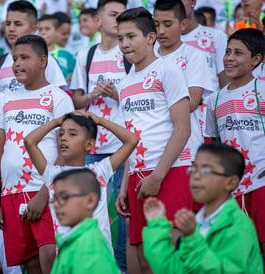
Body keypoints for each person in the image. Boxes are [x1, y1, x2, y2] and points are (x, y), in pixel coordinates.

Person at [115, 7, 193, 274]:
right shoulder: (124, 84)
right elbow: (132, 138)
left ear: (150, 37)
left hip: (170, 172)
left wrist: (158, 175)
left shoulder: (168, 70)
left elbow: (183, 129)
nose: (124, 44)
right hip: (138, 177)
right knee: (140, 260)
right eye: (120, 38)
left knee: (164, 260)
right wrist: (124, 185)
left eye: (131, 36)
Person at [0, 35, 74, 273]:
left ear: (43, 61)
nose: (16, 64)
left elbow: (65, 153)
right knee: (30, 263)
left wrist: (46, 193)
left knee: (50, 254)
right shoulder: (5, 100)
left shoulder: (59, 98)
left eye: (24, 58)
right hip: (10, 194)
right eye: (14, 58)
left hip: (44, 191)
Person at [70, 0, 129, 270]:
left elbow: (141, 99)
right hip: (92, 146)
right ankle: (92, 261)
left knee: (122, 210)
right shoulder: (87, 55)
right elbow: (76, 101)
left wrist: (115, 94)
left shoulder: (128, 54)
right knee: (90, 208)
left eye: (122, 16)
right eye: (114, 15)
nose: (118, 20)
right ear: (98, 20)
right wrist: (93, 96)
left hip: (122, 145)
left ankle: (121, 265)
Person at [142, 143, 263, 273]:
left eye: (206, 171)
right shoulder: (198, 222)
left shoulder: (238, 227)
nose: (196, 176)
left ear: (230, 182)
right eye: (193, 169)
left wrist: (191, 239)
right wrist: (157, 225)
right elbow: (173, 270)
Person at [24, 112, 138, 244]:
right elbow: (29, 141)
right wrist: (56, 122)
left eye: (72, 134)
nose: (63, 138)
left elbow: (132, 140)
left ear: (89, 145)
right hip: (69, 257)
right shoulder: (52, 175)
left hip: (98, 257)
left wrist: (100, 121)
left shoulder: (100, 171)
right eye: (61, 134)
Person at [205, 28, 265, 253]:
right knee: (238, 251)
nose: (229, 58)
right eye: (228, 51)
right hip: (231, 188)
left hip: (261, 185)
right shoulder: (215, 99)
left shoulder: (262, 89)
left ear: (256, 59)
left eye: (238, 53)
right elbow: (212, 144)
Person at [153, 0, 214, 160]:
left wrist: (152, 109)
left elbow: (193, 101)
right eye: (156, 24)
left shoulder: (194, 55)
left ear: (183, 24)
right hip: (150, 145)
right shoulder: (147, 55)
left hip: (185, 148)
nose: (161, 31)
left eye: (167, 24)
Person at [0, 0, 66, 93]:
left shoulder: (47, 61)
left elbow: (58, 97)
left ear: (33, 29)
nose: (11, 29)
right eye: (8, 24)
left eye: (18, 24)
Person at [49, 169, 120, 274]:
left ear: (90, 200)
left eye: (63, 197)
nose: (55, 205)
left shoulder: (89, 250)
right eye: (54, 199)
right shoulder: (75, 241)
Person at [180, 0, 228, 90]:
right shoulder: (158, 41)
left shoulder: (217, 36)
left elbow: (224, 73)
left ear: (193, 2)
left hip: (210, 103)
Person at [38, 14, 76, 83]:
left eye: (47, 29)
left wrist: (72, 77)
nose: (43, 32)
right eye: (40, 29)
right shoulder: (35, 55)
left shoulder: (67, 54)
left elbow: (75, 73)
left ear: (57, 31)